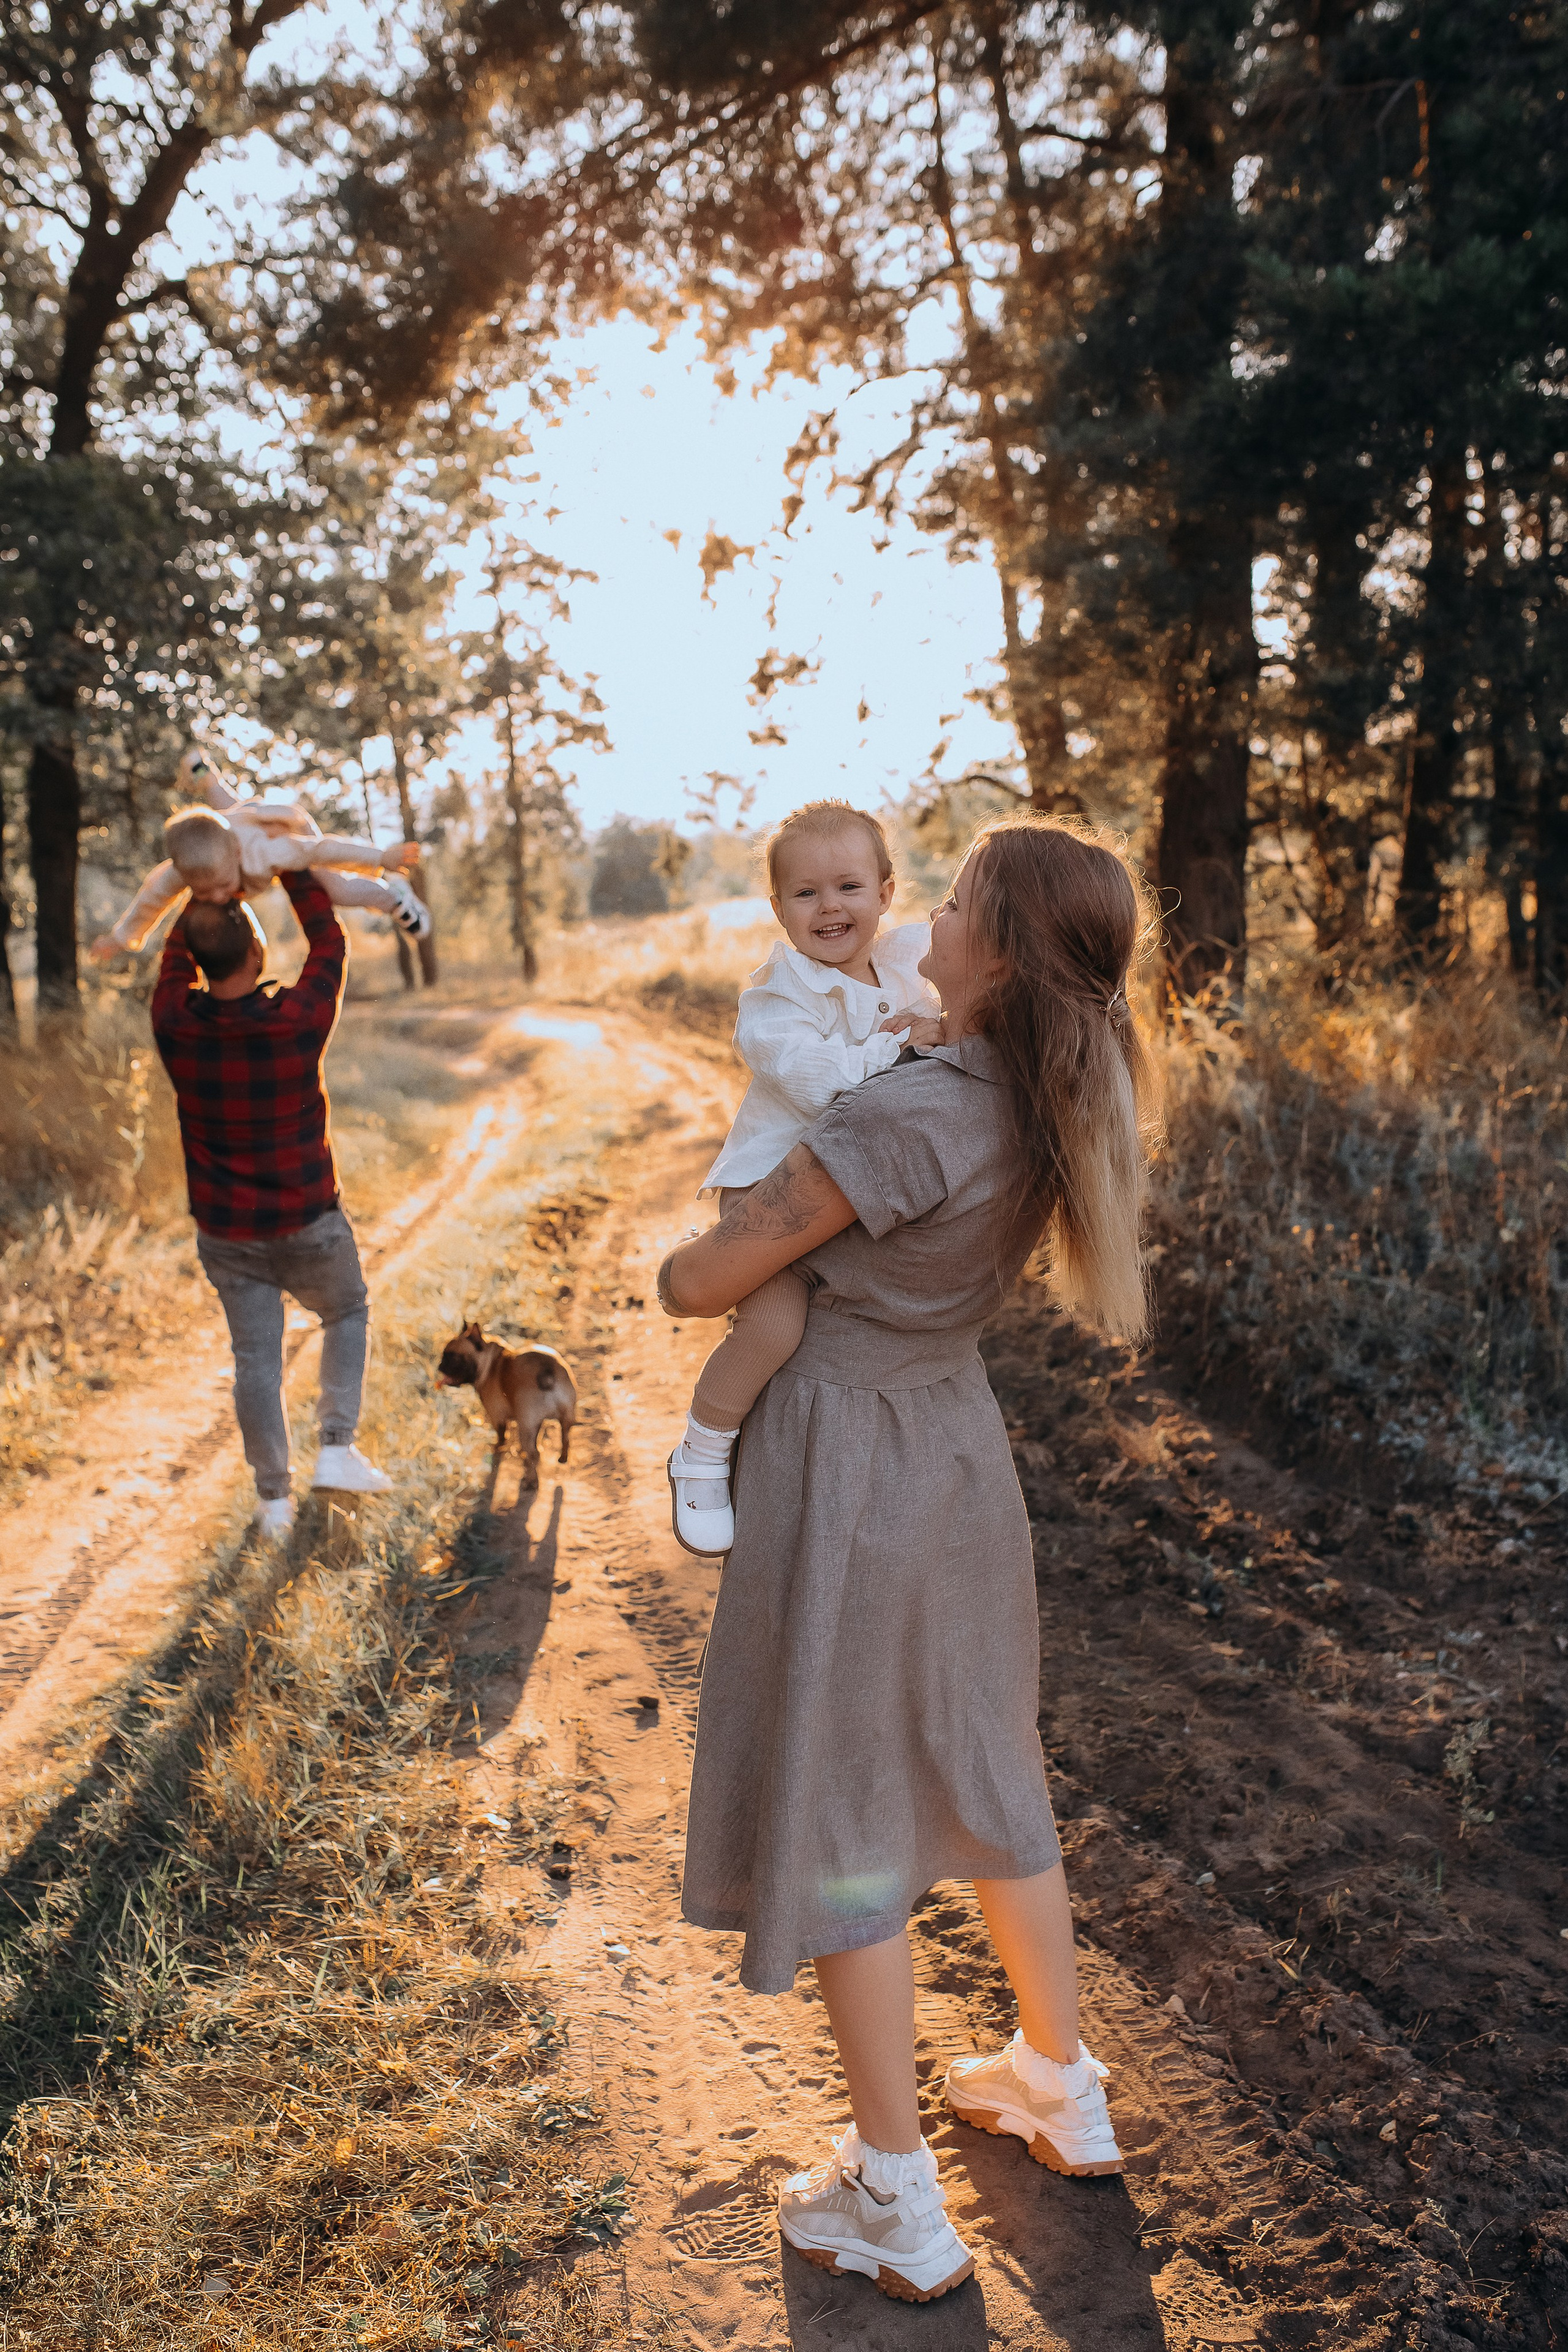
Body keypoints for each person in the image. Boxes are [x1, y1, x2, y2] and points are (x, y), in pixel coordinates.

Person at [658, 812, 1160, 2304]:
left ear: (994, 949)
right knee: (983, 1756)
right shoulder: (1059, 1080)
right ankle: (1056, 2081)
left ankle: (892, 2191)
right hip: (952, 1442)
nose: (918, 924)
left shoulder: (901, 1112)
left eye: (943, 906)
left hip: (846, 1457)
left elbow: (700, 1279)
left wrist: (703, 1246)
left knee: (845, 1797)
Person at [666, 799, 935, 1554]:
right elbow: (827, 1092)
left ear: (886, 891)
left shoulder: (913, 959)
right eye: (806, 893)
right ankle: (702, 1452)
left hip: (849, 1184)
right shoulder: (775, 1000)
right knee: (777, 1325)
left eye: (848, 887)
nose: (829, 908)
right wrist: (916, 1043)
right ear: (778, 907)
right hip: (769, 1189)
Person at [150, 871, 393, 1542]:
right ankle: (337, 1448)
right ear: (256, 955)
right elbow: (329, 942)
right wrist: (288, 866)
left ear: (198, 963)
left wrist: (202, 891)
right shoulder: (298, 1019)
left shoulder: (174, 1023)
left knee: (255, 1360)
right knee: (345, 1311)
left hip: (227, 1234)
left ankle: (274, 1504)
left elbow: (175, 956)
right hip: (309, 1219)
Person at [89, 747, 431, 963]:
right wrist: (120, 939)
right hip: (238, 822)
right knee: (227, 807)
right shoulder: (189, 868)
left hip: (283, 830)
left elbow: (322, 849)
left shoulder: (268, 853)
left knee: (340, 890)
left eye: (222, 885)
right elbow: (152, 900)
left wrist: (380, 857)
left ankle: (395, 897)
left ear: (235, 855)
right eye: (203, 893)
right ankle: (201, 771)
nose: (219, 897)